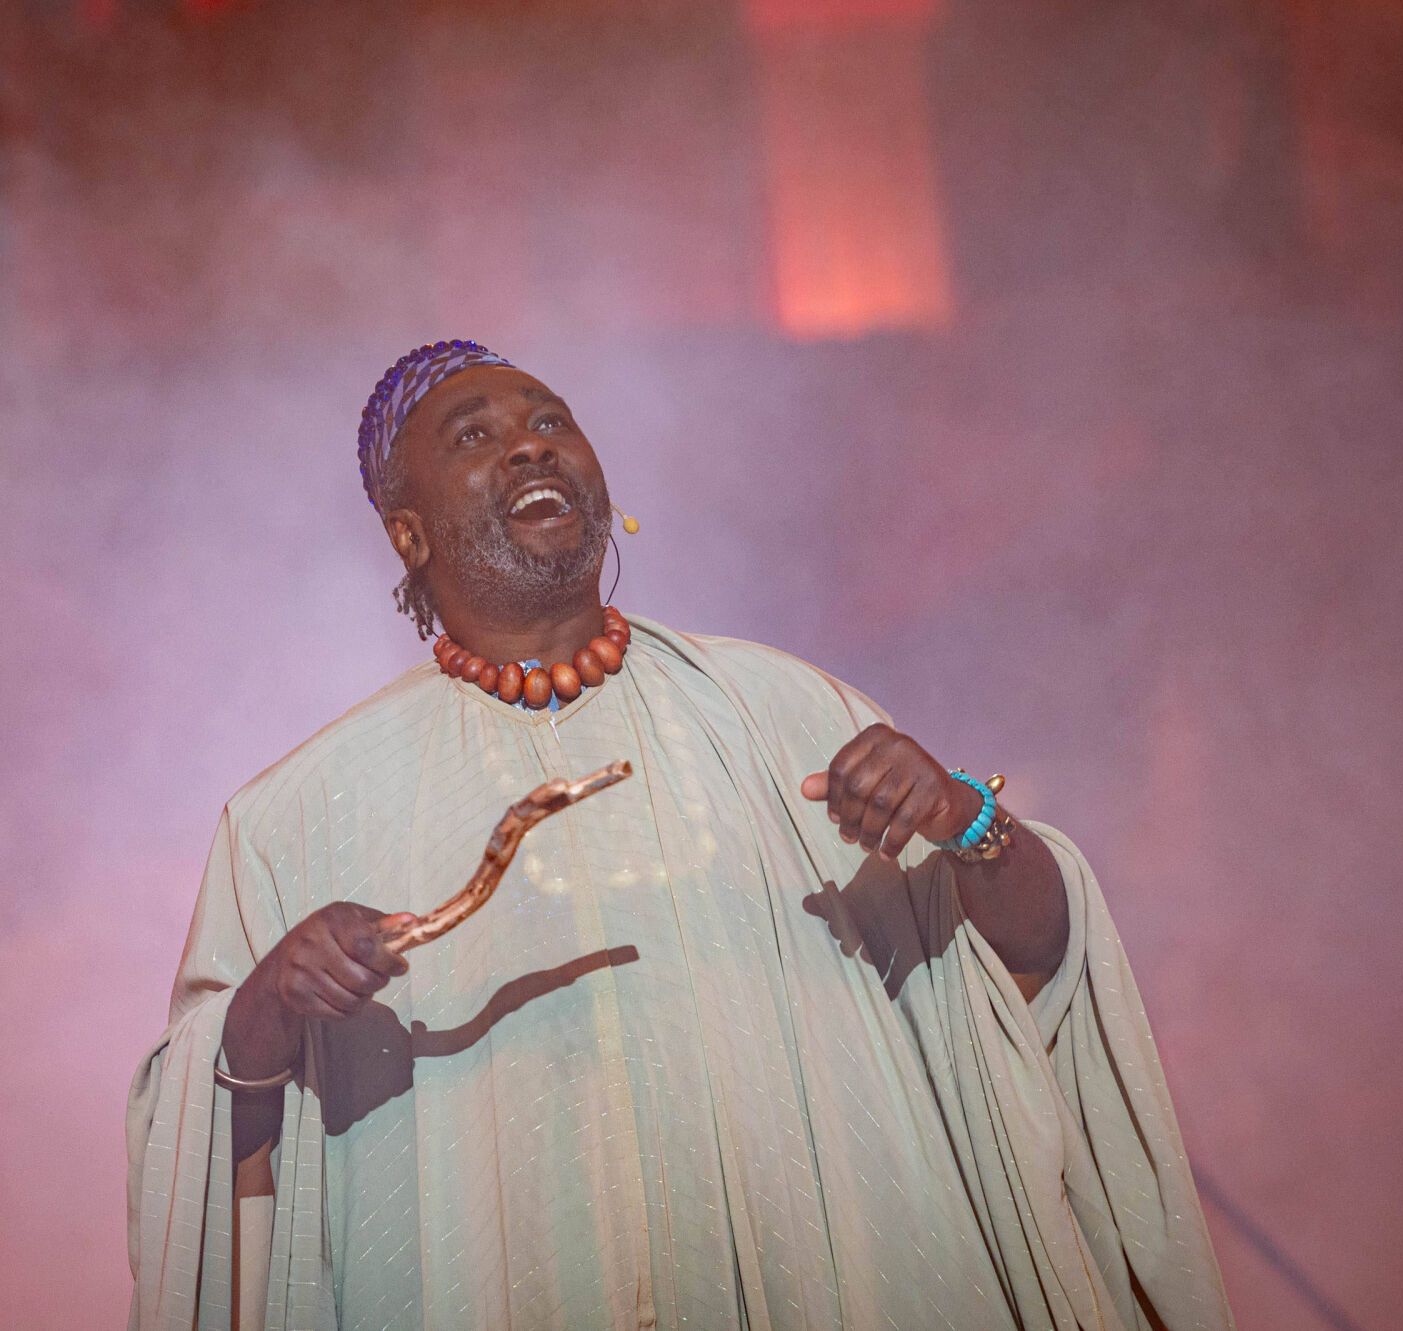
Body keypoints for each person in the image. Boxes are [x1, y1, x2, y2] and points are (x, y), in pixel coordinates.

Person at [128, 341, 1232, 1331]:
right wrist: (268, 1001)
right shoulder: (301, 809)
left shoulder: (787, 708)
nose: (526, 446)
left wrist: (965, 818)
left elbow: (1032, 961)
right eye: (475, 436)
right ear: (408, 533)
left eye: (547, 419)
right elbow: (207, 1127)